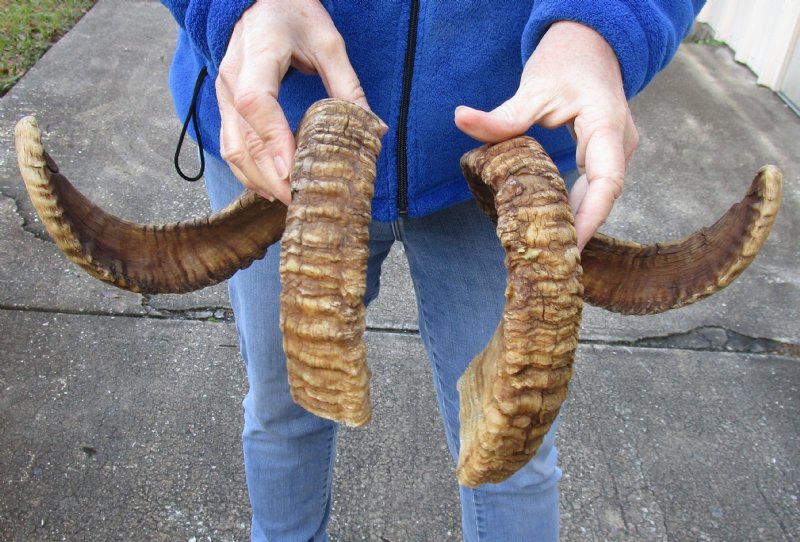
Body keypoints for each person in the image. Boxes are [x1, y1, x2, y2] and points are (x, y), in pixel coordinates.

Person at [160, 1, 704, 540]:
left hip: (515, 136)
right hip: (279, 136)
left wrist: (601, 26)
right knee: (281, 409)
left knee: (512, 444)